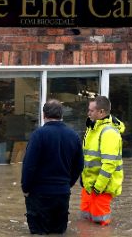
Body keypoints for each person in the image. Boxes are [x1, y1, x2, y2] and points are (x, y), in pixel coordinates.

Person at [21, 99, 84, 235]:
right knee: (58, 232)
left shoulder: (38, 135)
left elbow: (29, 165)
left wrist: (25, 187)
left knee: (39, 232)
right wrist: (68, 183)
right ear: (61, 115)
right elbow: (79, 165)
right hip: (62, 193)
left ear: (44, 115)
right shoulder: (74, 136)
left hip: (39, 194)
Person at [80, 95, 125, 226]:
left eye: (91, 110)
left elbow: (109, 164)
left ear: (101, 112)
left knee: (100, 224)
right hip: (89, 184)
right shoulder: (93, 127)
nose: (88, 113)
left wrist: (98, 187)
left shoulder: (108, 132)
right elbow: (88, 156)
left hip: (100, 187)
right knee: (86, 221)